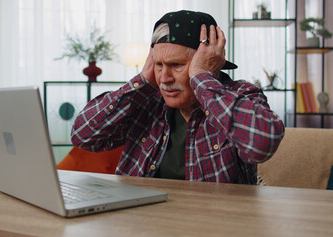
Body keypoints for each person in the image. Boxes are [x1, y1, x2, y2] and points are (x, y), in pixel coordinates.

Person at [71, 10, 285, 184]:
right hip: (138, 223)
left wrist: (202, 79)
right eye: (159, 65)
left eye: (176, 65)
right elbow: (82, 136)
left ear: (208, 62)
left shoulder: (241, 95)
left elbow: (261, 145)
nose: (164, 78)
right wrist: (142, 81)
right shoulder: (146, 101)